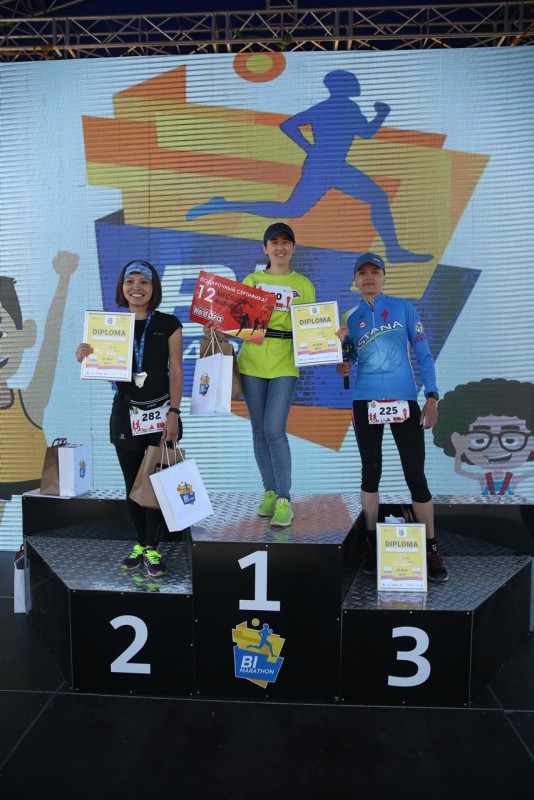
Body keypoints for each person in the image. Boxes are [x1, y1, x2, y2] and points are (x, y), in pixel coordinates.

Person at [187, 70, 431, 264]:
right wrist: (311, 148)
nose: (357, 85)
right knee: (292, 209)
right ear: (341, 86)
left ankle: (394, 251)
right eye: (352, 81)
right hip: (324, 166)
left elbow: (364, 133)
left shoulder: (344, 107)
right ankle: (222, 205)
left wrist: (379, 115)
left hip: (334, 166)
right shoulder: (334, 106)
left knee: (371, 198)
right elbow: (289, 125)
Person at [336, 252, 448, 582]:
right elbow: (349, 359)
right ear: (355, 280)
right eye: (362, 273)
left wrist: (432, 396)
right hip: (365, 400)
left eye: (375, 271)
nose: (369, 277)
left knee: (415, 473)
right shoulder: (350, 316)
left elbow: (424, 354)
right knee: (371, 472)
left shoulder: (404, 308)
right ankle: (372, 545)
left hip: (403, 398)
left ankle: (431, 547)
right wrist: (342, 362)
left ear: (384, 277)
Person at [76, 260, 183, 578]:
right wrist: (84, 356)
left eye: (144, 282)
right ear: (122, 287)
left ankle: (152, 547)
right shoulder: (111, 327)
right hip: (126, 414)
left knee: (158, 484)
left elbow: (176, 371)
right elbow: (101, 364)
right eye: (130, 281)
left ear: (154, 288)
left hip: (161, 414)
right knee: (133, 484)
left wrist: (174, 413)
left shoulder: (169, 323)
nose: (136, 287)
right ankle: (140, 543)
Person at [221, 222, 315, 527]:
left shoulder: (304, 284)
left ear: (294, 248)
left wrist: (328, 338)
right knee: (259, 431)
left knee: (275, 429)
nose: (280, 247)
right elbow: (237, 324)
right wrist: (217, 327)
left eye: (286, 242)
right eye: (274, 242)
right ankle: (270, 492)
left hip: (286, 362)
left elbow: (312, 326)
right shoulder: (252, 280)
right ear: (265, 248)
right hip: (252, 362)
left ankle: (285, 498)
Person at [1, 252, 79, 525]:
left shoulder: (30, 401)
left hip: (34, 484)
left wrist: (64, 279)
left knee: (38, 537)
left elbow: (51, 339)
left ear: (26, 335)